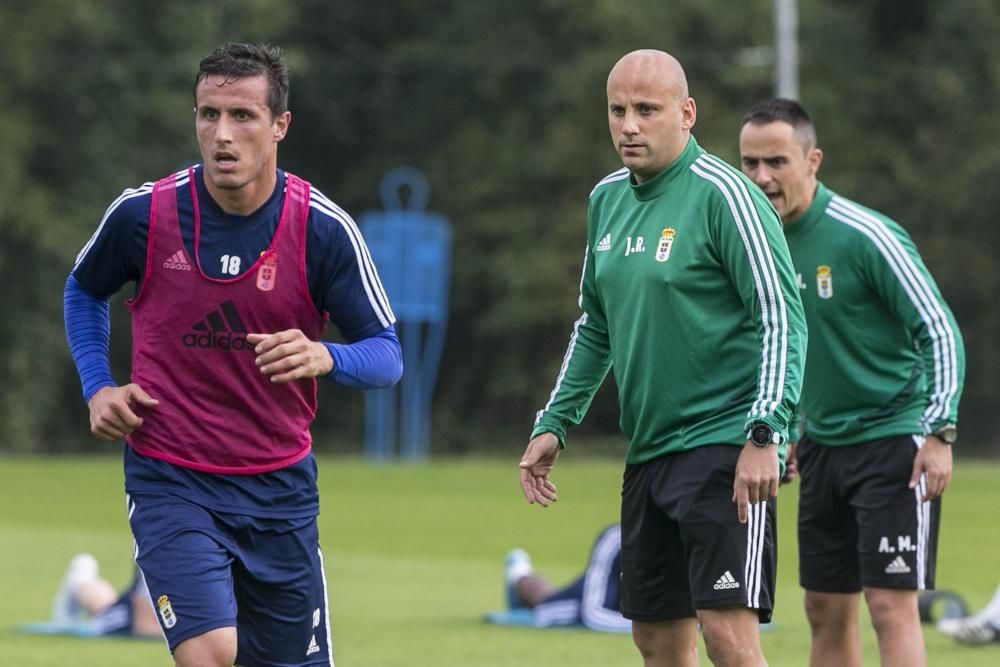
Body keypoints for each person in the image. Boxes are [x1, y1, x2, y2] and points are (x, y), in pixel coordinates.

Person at [63, 43, 402, 667]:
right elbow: (84, 288)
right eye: (207, 114)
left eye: (242, 116)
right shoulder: (144, 214)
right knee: (214, 654)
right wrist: (97, 386)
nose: (222, 134)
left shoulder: (323, 230)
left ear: (280, 125)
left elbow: (386, 353)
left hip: (280, 491)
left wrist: (327, 357)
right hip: (172, 477)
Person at [519, 49, 807, 667]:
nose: (628, 125)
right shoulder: (605, 200)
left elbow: (781, 319)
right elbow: (596, 324)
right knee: (656, 641)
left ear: (687, 113)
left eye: (646, 110)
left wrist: (766, 433)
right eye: (617, 110)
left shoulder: (726, 196)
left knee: (729, 638)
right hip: (649, 453)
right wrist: (555, 422)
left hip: (725, 445)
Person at [738, 98, 965, 667]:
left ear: (812, 161)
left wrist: (940, 432)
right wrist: (785, 428)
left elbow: (939, 329)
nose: (762, 177)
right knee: (823, 608)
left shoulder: (865, 236)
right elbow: (774, 347)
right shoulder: (752, 245)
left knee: (889, 606)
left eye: (776, 162)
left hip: (894, 439)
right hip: (821, 449)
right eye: (750, 163)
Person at [503, 524, 630, 633]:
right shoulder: (616, 538)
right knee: (544, 601)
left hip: (618, 609)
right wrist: (643, 628)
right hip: (583, 601)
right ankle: (518, 574)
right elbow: (593, 616)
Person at [50, 553, 162, 638]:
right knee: (109, 614)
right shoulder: (158, 554)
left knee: (110, 606)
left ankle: (81, 580)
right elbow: (145, 626)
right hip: (132, 617)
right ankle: (78, 582)